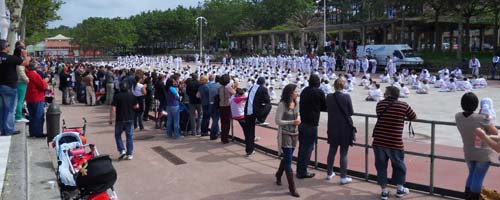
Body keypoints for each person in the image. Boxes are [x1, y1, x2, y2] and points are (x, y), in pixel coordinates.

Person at [372, 86, 416, 200]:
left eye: (386, 92)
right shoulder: (403, 105)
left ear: (389, 94)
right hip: (394, 141)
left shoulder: (380, 105)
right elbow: (414, 117)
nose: (384, 93)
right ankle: (400, 188)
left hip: (379, 140)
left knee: (381, 166)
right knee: (399, 165)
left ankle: (384, 191)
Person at [455, 93, 498, 200]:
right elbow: (495, 132)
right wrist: (489, 118)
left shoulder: (458, 116)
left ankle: (467, 196)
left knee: (472, 175)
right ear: (476, 105)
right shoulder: (482, 118)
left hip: (468, 151)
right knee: (478, 177)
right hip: (483, 153)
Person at [296, 74, 326, 179]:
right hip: (311, 123)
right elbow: (325, 106)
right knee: (308, 148)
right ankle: (302, 171)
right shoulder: (319, 92)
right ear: (318, 83)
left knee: (302, 147)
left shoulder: (304, 91)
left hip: (302, 122)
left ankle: (299, 169)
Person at [274, 84, 301, 198]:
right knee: (289, 162)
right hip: (285, 134)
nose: (297, 93)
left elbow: (298, 114)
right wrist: (291, 122)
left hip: (295, 133)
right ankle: (292, 188)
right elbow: (277, 121)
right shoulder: (282, 105)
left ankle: (278, 174)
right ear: (290, 93)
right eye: (295, 91)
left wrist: (298, 119)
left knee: (287, 157)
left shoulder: (296, 103)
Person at [325, 79, 353, 184]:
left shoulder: (329, 96)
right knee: (343, 153)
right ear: (343, 86)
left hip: (332, 125)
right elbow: (351, 111)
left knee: (332, 150)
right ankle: (343, 176)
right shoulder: (346, 96)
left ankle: (329, 173)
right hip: (344, 126)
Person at [0, 39, 30, 136]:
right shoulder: (10, 58)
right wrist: (25, 54)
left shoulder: (10, 58)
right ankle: (8, 130)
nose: (9, 47)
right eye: (8, 45)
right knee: (9, 109)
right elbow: (25, 63)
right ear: (5, 47)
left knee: (2, 109)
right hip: (9, 86)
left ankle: (2, 129)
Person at [109, 82, 139, 160]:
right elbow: (136, 106)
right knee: (129, 136)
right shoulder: (132, 96)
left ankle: (122, 150)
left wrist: (110, 119)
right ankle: (129, 154)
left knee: (117, 135)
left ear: (120, 88)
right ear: (128, 88)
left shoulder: (117, 96)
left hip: (120, 119)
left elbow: (113, 108)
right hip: (130, 118)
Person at [244, 77, 270, 156]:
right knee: (269, 106)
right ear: (263, 83)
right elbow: (267, 100)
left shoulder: (252, 87)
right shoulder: (263, 89)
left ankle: (249, 150)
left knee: (249, 132)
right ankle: (261, 119)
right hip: (254, 112)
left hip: (247, 111)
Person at [25, 62, 49, 137]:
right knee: (38, 116)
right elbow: (42, 86)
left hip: (29, 98)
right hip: (37, 98)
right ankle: (38, 133)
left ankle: (32, 132)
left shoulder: (27, 74)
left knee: (32, 116)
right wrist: (46, 81)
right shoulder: (34, 75)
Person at [218, 74, 235, 144]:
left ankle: (223, 137)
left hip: (221, 105)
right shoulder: (228, 87)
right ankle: (225, 138)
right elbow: (235, 93)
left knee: (223, 122)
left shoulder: (220, 87)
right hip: (227, 106)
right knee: (227, 123)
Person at [207, 75, 221, 140]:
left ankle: (217, 132)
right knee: (215, 120)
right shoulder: (220, 86)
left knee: (214, 119)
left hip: (210, 103)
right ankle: (213, 134)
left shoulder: (211, 85)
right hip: (216, 104)